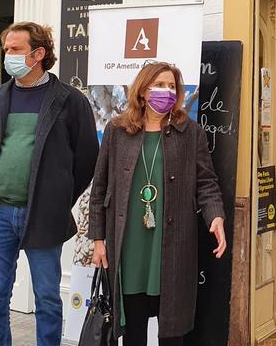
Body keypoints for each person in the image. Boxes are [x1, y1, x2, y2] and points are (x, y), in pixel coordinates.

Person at [0, 22, 98, 346]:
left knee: (47, 298)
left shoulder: (70, 101)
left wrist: (56, 198)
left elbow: (86, 159)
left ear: (38, 53)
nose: (8, 56)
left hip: (43, 214)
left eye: (16, 49)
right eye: (7, 49)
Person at [89, 62, 226, 346]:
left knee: (172, 333)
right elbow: (100, 186)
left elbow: (207, 183)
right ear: (142, 90)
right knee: (133, 330)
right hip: (129, 245)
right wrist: (98, 239)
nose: (166, 91)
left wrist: (215, 216)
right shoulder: (117, 130)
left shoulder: (190, 132)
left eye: (172, 86)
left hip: (172, 245)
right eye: (159, 85)